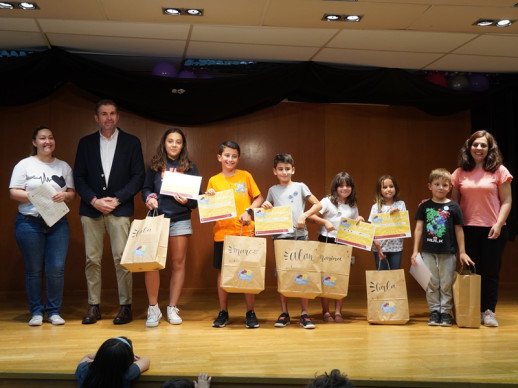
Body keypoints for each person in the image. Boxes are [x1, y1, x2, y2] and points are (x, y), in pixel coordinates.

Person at [74, 99, 145, 325]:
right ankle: (94, 306)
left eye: (112, 113)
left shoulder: (131, 142)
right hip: (91, 209)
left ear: (118, 116)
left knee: (121, 259)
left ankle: (126, 306)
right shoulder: (85, 143)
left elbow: (138, 177)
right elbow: (79, 177)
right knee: (91, 259)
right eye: (104, 114)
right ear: (96, 118)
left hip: (120, 209)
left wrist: (117, 199)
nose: (108, 118)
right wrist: (94, 200)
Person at [9, 126, 76, 326]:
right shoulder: (24, 165)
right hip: (29, 223)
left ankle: (54, 311)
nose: (47, 141)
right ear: (34, 142)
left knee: (56, 268)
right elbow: (14, 192)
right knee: (34, 269)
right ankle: (36, 312)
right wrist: (36, 196)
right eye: (43, 138)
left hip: (57, 222)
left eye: (51, 138)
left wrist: (65, 195)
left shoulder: (63, 166)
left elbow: (72, 193)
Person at [451, 130, 513, 327]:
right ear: (469, 147)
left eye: (483, 145)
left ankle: (488, 311)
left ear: (489, 149)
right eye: (475, 144)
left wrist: (498, 223)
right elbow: (452, 203)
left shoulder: (499, 171)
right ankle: (472, 310)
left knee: (490, 271)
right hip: (466, 229)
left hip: (492, 229)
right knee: (470, 271)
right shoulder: (459, 172)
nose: (478, 148)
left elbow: (507, 201)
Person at [142, 128, 200, 327]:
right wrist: (149, 198)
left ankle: (173, 307)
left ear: (183, 145)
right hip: (157, 219)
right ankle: (153, 308)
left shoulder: (190, 167)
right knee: (152, 263)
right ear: (164, 143)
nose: (174, 145)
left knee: (178, 264)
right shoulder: (155, 166)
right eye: (170, 141)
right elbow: (146, 188)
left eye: (178, 142)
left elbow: (196, 201)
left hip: (180, 220)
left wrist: (187, 201)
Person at [206, 141, 264, 328]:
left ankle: (250, 312)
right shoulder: (214, 180)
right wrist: (209, 196)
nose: (230, 159)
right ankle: (223, 312)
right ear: (219, 157)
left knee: (248, 270)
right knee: (224, 272)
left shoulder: (245, 176)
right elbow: (209, 207)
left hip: (245, 232)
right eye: (227, 155)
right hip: (222, 234)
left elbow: (259, 198)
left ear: (238, 158)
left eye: (234, 156)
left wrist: (249, 211)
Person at [262, 153, 322, 329]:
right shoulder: (272, 190)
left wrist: (304, 214)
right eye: (280, 169)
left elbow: (318, 205)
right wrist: (266, 205)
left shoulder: (301, 186)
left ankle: (304, 313)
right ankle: (284, 313)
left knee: (303, 272)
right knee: (283, 274)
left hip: (300, 234)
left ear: (293, 170)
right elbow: (266, 210)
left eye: (287, 169)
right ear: (275, 171)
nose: (284, 172)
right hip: (280, 237)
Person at [411, 168, 474, 327]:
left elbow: (459, 230)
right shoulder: (424, 206)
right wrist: (415, 251)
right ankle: (434, 311)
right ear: (429, 186)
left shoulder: (454, 207)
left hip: (448, 251)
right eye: (437, 184)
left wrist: (463, 252)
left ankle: (445, 312)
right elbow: (418, 229)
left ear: (450, 187)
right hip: (428, 251)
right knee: (432, 282)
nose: (441, 187)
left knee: (446, 283)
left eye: (445, 185)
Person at [309, 172, 363, 323]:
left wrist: (359, 219)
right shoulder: (327, 201)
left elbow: (354, 225)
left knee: (341, 278)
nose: (344, 188)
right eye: (341, 185)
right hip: (327, 241)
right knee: (326, 277)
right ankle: (326, 312)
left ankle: (338, 311)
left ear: (352, 188)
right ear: (336, 187)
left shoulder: (353, 205)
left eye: (348, 185)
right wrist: (325, 222)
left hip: (344, 243)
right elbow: (311, 217)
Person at [75, 336, 150, 388]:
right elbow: (145, 360)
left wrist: (103, 357)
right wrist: (130, 357)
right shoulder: (127, 374)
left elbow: (87, 357)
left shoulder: (83, 369)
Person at [368, 174, 407, 270]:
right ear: (379, 190)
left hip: (396, 247)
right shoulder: (376, 207)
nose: (388, 189)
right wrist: (376, 245)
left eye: (391, 186)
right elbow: (371, 227)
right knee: (382, 277)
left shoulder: (401, 204)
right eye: (385, 187)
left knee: (395, 275)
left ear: (395, 188)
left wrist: (397, 215)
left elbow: (404, 225)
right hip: (379, 247)